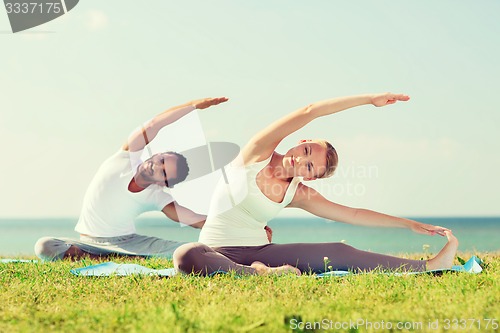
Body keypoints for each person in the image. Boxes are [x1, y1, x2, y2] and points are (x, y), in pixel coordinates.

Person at [173, 93, 459, 276]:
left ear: (310, 177)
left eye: (310, 167)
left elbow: (354, 214)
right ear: (302, 141)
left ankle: (430, 266)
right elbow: (310, 110)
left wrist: (407, 224)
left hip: (261, 251)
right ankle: (259, 274)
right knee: (186, 254)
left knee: (339, 251)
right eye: (306, 150)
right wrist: (369, 99)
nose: (301, 160)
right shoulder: (256, 154)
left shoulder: (299, 193)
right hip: (214, 251)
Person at [34, 97, 229, 261]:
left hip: (129, 242)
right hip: (87, 241)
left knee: (189, 249)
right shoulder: (126, 157)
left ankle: (119, 256)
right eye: (161, 160)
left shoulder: (156, 195)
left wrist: (237, 226)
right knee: (45, 246)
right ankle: (116, 256)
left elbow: (194, 219)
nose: (156, 165)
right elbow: (155, 124)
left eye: (163, 171)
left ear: (163, 183)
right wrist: (194, 105)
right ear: (156, 154)